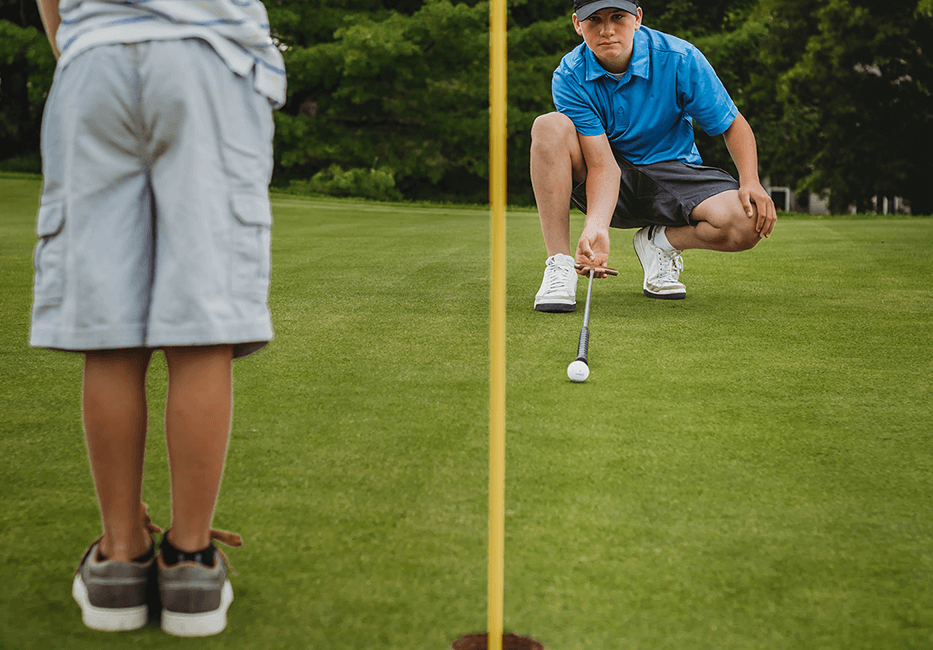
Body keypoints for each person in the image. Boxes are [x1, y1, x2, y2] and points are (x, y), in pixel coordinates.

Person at [31, 0, 285, 636]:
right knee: (202, 331)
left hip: (92, 61)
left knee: (111, 336)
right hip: (209, 58)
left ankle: (119, 561)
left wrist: (83, 47)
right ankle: (191, 564)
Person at [531, 0, 776, 311]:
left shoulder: (680, 57)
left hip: (675, 173)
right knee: (549, 126)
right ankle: (560, 264)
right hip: (609, 178)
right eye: (594, 20)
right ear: (578, 25)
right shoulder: (570, 74)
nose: (607, 30)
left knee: (747, 222)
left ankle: (660, 242)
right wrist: (596, 227)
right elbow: (602, 166)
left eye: (617, 17)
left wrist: (751, 181)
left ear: (637, 18)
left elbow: (731, 124)